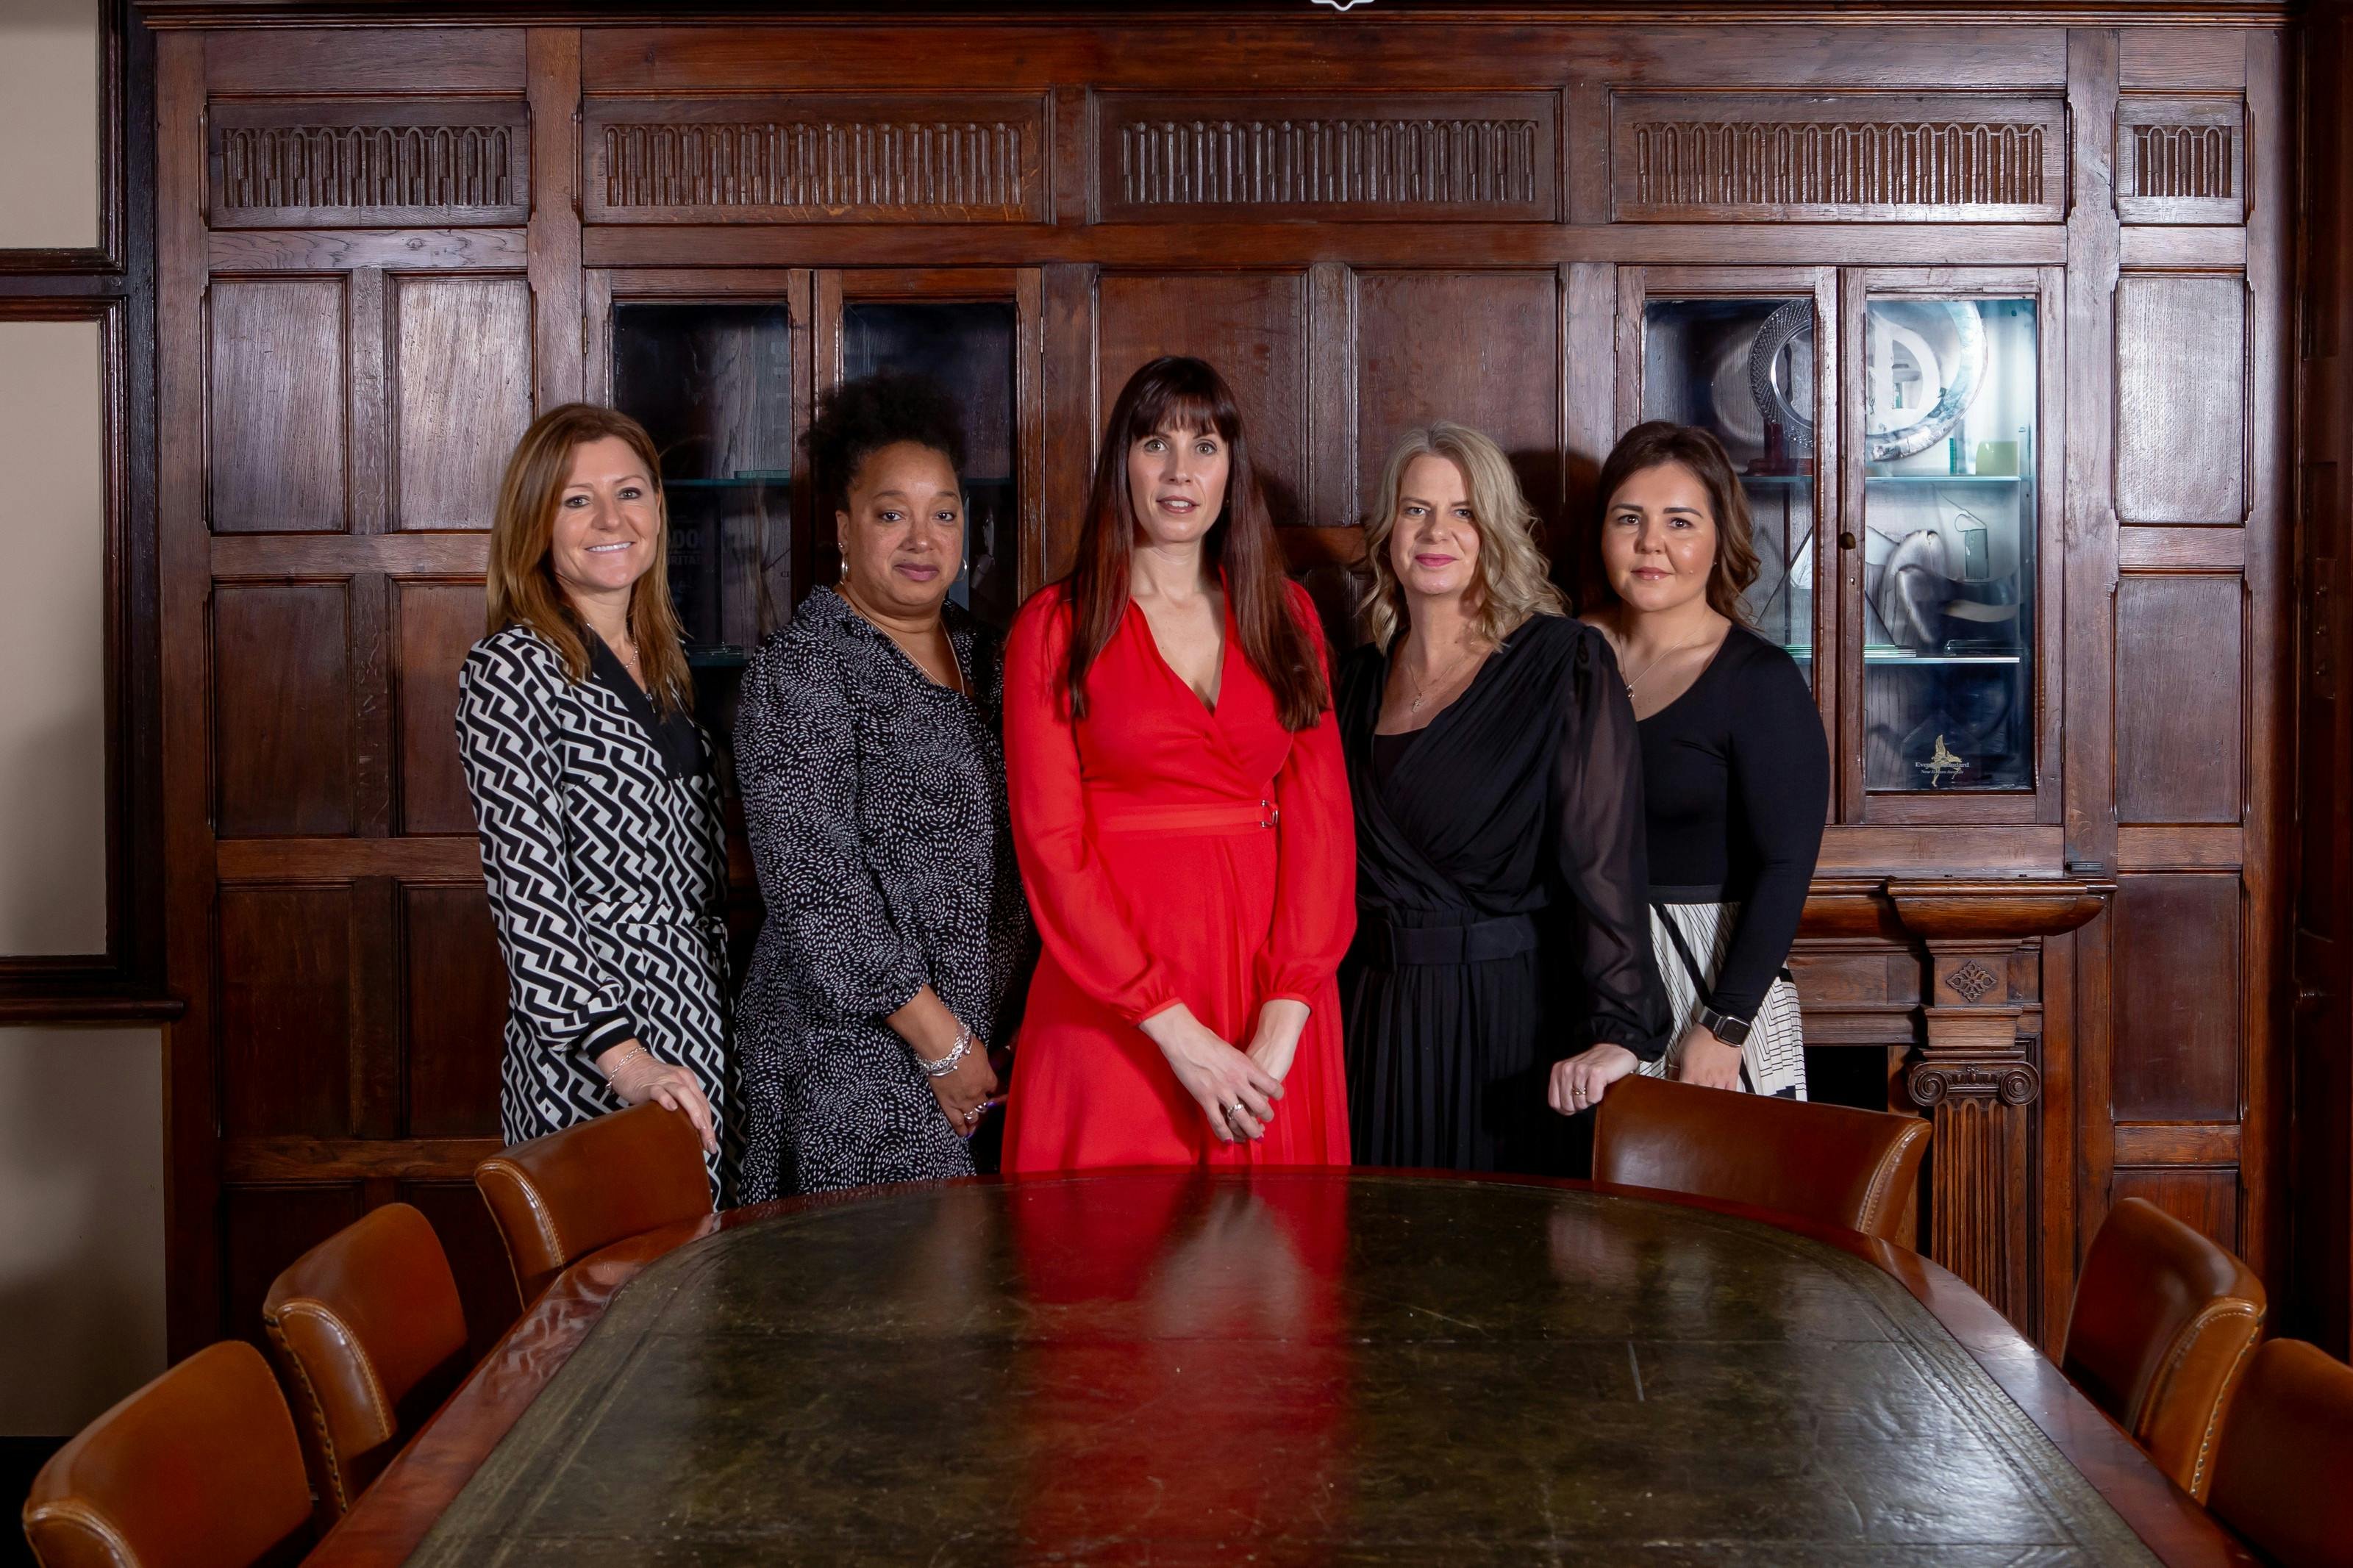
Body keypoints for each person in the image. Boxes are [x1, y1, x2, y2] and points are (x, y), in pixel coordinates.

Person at [1001, 355, 1354, 1170]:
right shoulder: (1055, 627)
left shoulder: (1285, 614)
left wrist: (1284, 1016)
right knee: (1109, 1265)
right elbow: (1050, 847)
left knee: (1271, 1272)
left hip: (1273, 992)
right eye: (1154, 444)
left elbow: (1324, 826)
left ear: (1233, 468)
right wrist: (1168, 1024)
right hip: (1114, 1001)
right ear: (1120, 464)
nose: (1178, 472)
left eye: (1204, 447)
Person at [732, 373, 1032, 1198]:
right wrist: (942, 1047)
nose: (921, 537)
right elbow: (820, 895)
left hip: (982, 1064)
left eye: (943, 512)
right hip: (853, 1065)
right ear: (843, 527)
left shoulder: (990, 658)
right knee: (880, 1318)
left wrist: (991, 1049)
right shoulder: (801, 671)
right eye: (890, 512)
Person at [1338, 423, 1668, 1170]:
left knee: (1492, 1270)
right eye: (1415, 509)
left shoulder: (1560, 663)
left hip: (1504, 1023)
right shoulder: (1354, 681)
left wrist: (1618, 1029)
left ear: (1493, 533)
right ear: (1389, 530)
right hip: (1370, 1017)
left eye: (1462, 513)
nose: (1436, 533)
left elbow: (1603, 865)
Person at [456, 404, 728, 1194]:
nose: (611, 519)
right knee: (610, 1307)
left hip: (701, 1023)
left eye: (630, 493)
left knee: (700, 1299)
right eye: (577, 500)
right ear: (535, 523)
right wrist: (625, 1060)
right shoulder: (512, 671)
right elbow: (527, 901)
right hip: (598, 1055)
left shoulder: (665, 665)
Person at [1581, 420, 1829, 1099]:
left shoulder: (1759, 679)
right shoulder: (1563, 655)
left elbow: (1786, 864)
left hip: (1710, 985)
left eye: (1680, 521)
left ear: (1720, 538)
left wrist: (1725, 1024)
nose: (1650, 542)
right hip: (1580, 978)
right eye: (1628, 518)